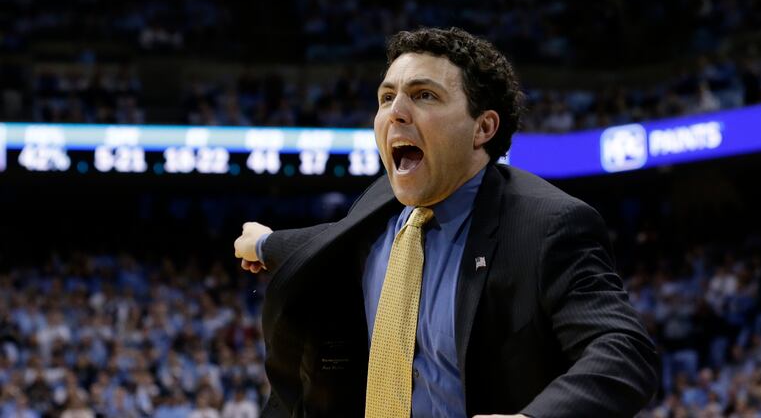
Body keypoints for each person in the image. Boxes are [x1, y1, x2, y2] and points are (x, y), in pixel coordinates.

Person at [234, 27, 658, 417]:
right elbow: (333, 240)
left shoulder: (548, 225)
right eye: (386, 97)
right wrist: (265, 243)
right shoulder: (381, 201)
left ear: (483, 128)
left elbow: (623, 350)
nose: (396, 113)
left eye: (424, 96)